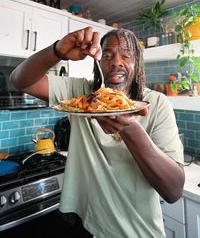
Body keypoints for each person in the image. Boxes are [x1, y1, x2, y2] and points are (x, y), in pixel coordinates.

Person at [10, 26, 185, 238]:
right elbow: (20, 80)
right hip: (85, 221)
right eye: (108, 55)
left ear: (136, 62)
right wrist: (58, 50)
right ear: (99, 62)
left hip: (135, 230)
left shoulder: (156, 103)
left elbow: (173, 190)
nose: (116, 62)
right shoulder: (81, 94)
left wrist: (130, 129)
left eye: (126, 56)